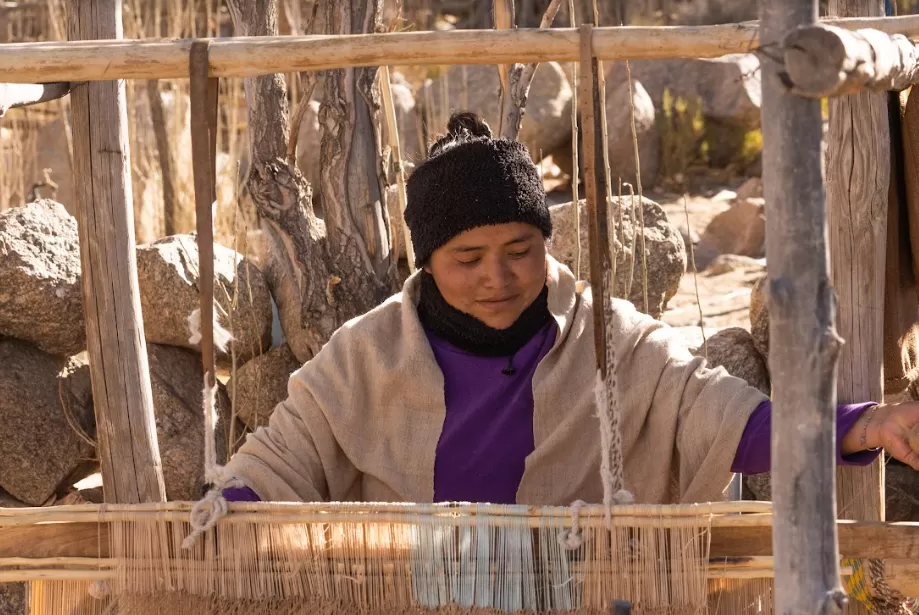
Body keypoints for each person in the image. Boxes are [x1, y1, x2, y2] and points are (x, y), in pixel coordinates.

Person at [221, 111, 919, 507]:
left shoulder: (609, 339)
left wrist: (865, 424)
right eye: (468, 259)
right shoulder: (362, 356)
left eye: (519, 248)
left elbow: (726, 418)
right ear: (426, 261)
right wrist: (216, 522)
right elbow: (276, 463)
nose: (498, 276)